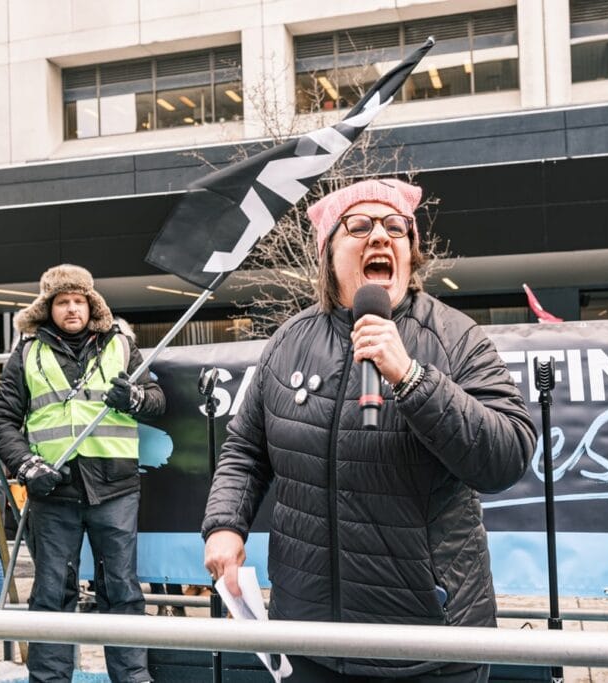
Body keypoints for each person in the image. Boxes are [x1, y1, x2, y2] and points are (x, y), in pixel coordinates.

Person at [202, 178, 536, 682]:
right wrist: (225, 524)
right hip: (309, 638)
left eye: (395, 227)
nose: (380, 235)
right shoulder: (289, 340)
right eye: (360, 226)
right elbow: (246, 450)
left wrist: (412, 377)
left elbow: (505, 457)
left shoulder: (456, 337)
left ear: (410, 250)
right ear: (329, 254)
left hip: (430, 646)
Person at [0, 264, 164, 683]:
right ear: (48, 308)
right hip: (54, 491)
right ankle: (49, 680)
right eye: (62, 302)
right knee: (51, 594)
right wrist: (27, 465)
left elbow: (157, 400)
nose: (71, 309)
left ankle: (132, 678)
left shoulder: (122, 344)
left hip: (116, 489)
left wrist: (135, 397)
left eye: (78, 301)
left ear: (91, 304)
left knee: (122, 591)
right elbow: (0, 418)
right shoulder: (27, 352)